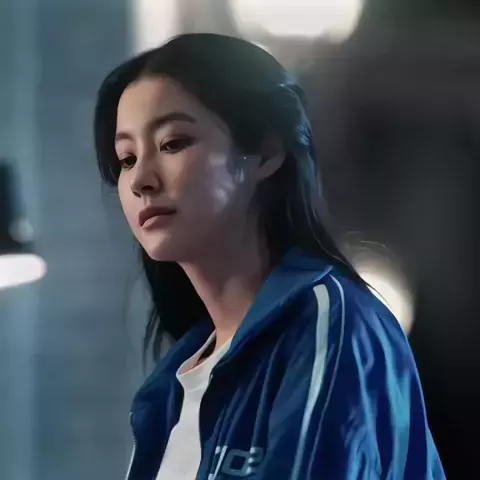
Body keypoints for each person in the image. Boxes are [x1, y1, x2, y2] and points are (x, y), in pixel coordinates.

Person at [94, 33, 445, 480]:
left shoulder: (327, 324)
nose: (140, 179)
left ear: (265, 153)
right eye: (126, 158)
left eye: (173, 142)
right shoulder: (171, 389)